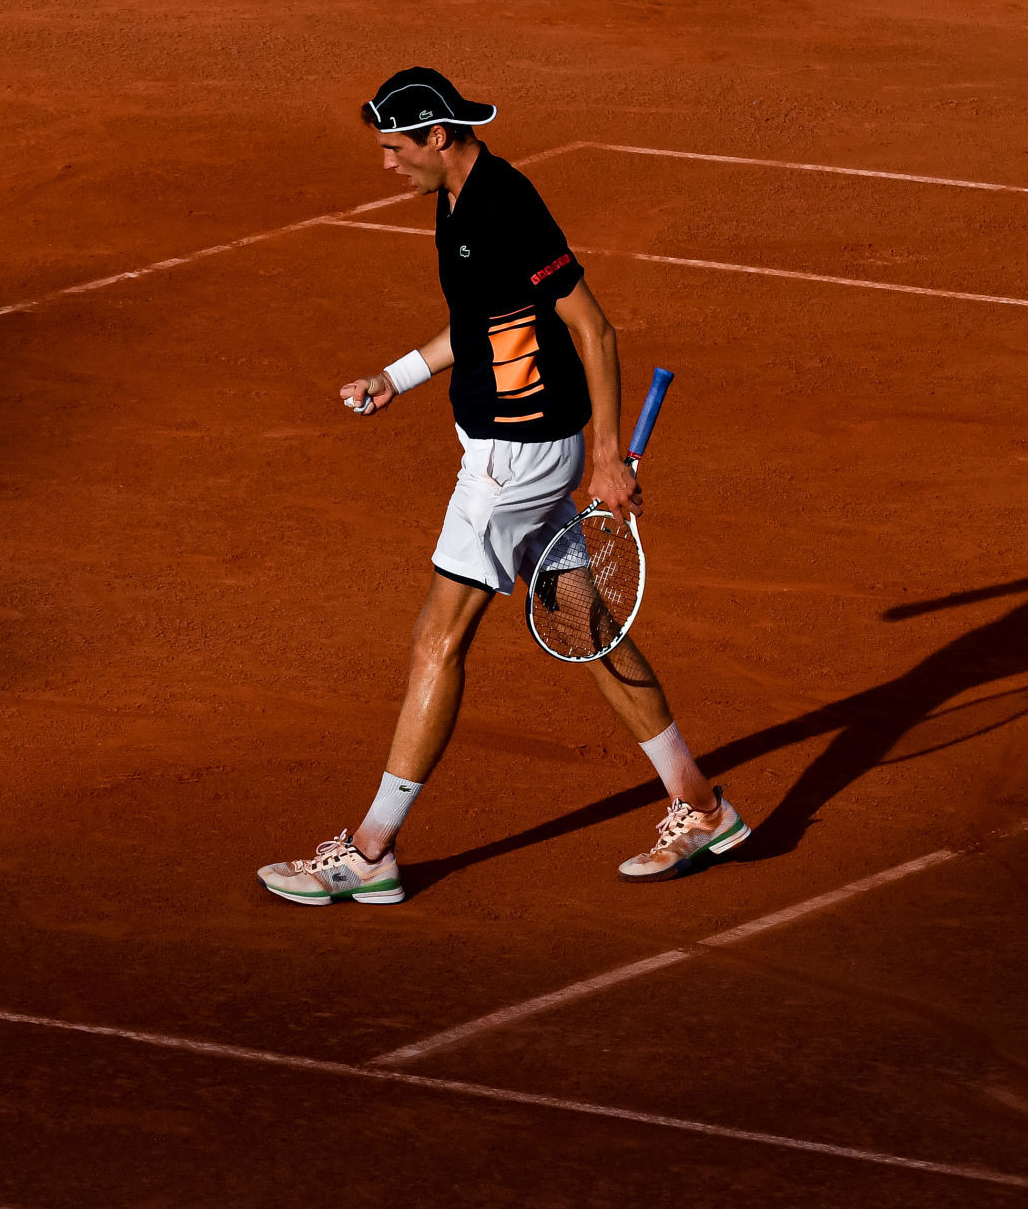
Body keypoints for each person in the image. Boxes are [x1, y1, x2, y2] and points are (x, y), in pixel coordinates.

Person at [256, 68, 751, 906]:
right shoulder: (458, 200)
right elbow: (481, 322)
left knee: (435, 639)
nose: (385, 164)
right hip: (520, 449)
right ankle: (700, 805)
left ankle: (372, 848)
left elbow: (591, 326)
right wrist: (397, 375)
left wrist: (606, 456)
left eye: (393, 148)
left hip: (513, 461)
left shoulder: (501, 207)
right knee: (581, 621)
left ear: (436, 137)